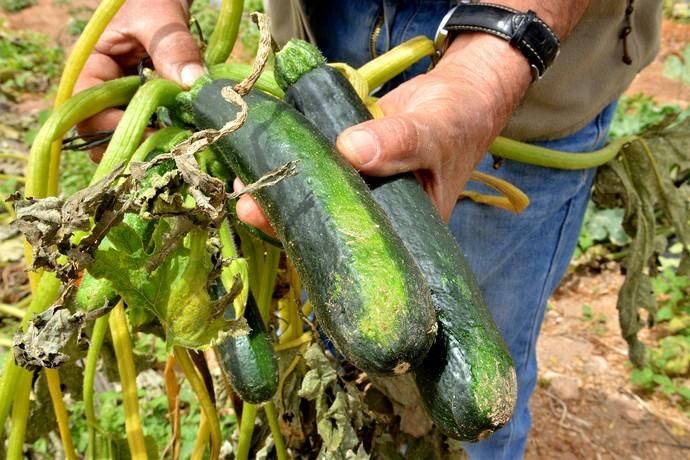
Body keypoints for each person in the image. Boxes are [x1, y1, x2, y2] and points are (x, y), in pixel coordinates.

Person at [75, 1, 662, 458]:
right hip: (313, 45)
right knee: (343, 333)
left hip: (518, 85)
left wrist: (493, 63)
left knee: (475, 413)